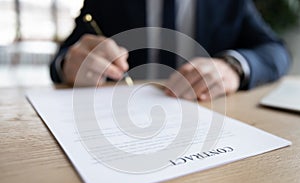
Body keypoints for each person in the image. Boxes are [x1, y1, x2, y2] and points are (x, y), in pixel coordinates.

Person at [50, 0, 290, 101]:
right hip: (118, 115)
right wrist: (68, 63)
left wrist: (233, 67)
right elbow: (63, 56)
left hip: (209, 113)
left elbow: (276, 50)